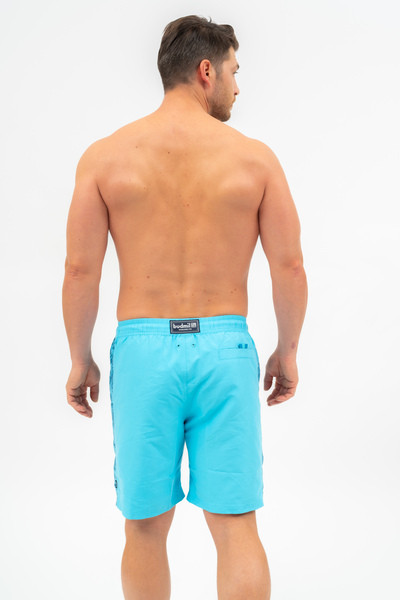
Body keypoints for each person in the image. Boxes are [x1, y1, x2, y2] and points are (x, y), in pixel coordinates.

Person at [62, 14, 308, 600]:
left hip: (143, 353)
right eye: (234, 72)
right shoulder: (255, 160)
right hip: (225, 351)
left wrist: (80, 358)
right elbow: (290, 267)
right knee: (236, 525)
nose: (237, 86)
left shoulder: (105, 157)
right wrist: (287, 350)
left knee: (145, 528)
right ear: (206, 71)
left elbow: (79, 270)